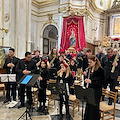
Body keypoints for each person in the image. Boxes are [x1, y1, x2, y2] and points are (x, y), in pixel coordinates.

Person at [84, 55, 105, 120]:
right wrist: (86, 79)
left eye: (90, 62)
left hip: (96, 91)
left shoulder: (100, 70)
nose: (89, 64)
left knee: (94, 108)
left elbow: (102, 82)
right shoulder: (89, 69)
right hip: (90, 90)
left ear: (95, 61)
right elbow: (88, 79)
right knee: (88, 107)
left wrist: (91, 81)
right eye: (88, 62)